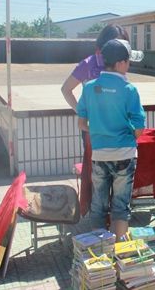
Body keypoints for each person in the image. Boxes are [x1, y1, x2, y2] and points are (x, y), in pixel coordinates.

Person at [77, 39, 146, 240]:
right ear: (120, 63)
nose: (129, 65)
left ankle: (99, 250)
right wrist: (127, 134)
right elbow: (139, 129)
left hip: (99, 154)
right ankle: (119, 249)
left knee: (98, 205)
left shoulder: (89, 87)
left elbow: (82, 124)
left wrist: (99, 131)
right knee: (121, 206)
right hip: (125, 153)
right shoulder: (129, 89)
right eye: (128, 61)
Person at [61, 24, 130, 216]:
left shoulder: (120, 64)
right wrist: (83, 114)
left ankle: (114, 215)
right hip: (94, 131)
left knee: (118, 173)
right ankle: (97, 215)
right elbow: (66, 89)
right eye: (117, 43)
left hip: (117, 130)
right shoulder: (88, 64)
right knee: (97, 174)